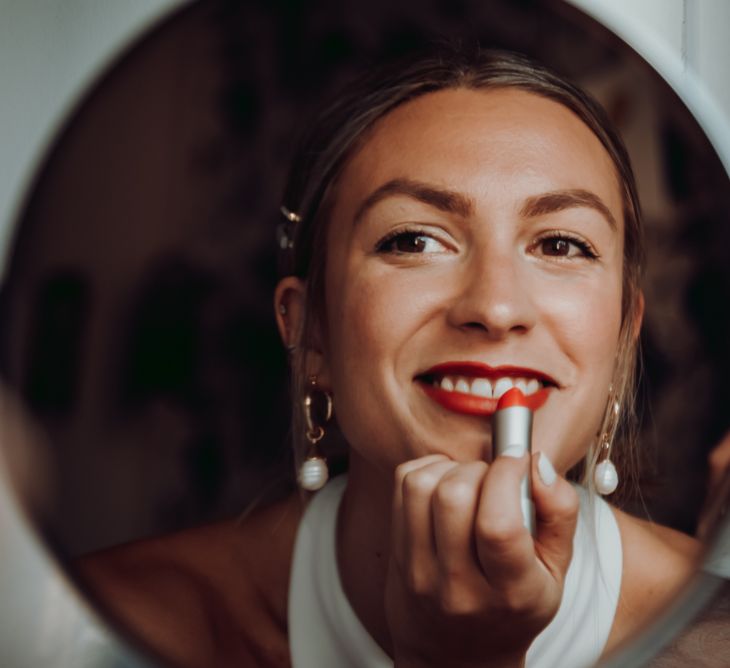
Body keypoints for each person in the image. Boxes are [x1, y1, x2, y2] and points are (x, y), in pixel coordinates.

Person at [78, 45, 701, 668]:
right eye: (414, 239)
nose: (496, 306)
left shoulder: (712, 627)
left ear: (624, 333)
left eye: (562, 244)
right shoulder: (103, 625)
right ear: (309, 328)